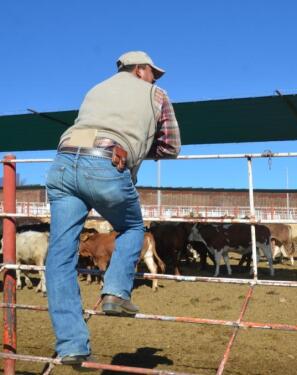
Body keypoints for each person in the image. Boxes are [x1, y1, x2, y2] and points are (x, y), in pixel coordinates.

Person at [45, 51, 180, 367]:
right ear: (139, 69)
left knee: (60, 255)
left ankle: (71, 345)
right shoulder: (156, 94)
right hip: (107, 162)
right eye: (152, 72)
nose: (155, 78)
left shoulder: (95, 89)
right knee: (134, 228)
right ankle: (116, 293)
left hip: (63, 164)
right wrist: (140, 149)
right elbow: (171, 146)